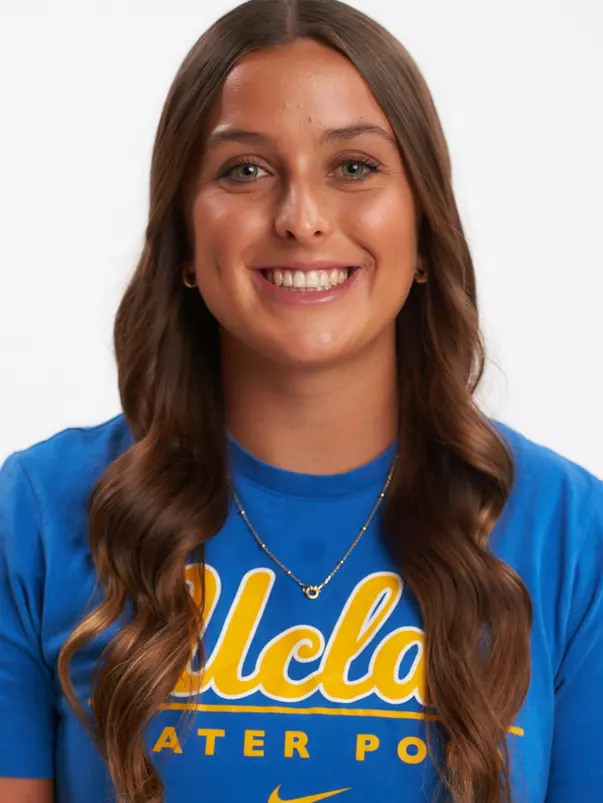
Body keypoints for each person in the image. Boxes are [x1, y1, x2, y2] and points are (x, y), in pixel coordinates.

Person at [1, 0, 602, 801]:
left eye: (353, 166)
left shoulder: (568, 530)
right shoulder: (38, 512)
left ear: (422, 230)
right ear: (183, 238)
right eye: (244, 170)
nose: (302, 218)